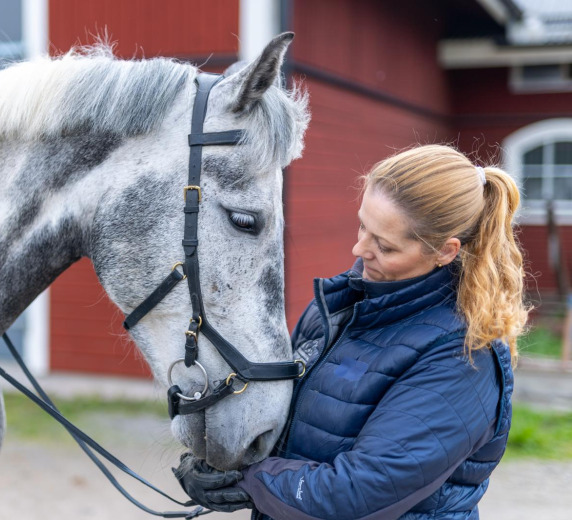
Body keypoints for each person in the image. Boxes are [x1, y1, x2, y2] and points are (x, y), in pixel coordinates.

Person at [174, 144, 529, 519]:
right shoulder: (341, 305)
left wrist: (248, 482)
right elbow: (281, 418)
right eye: (363, 226)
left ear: (445, 251)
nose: (359, 248)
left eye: (385, 246)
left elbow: (361, 490)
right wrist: (217, 458)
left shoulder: (462, 357)